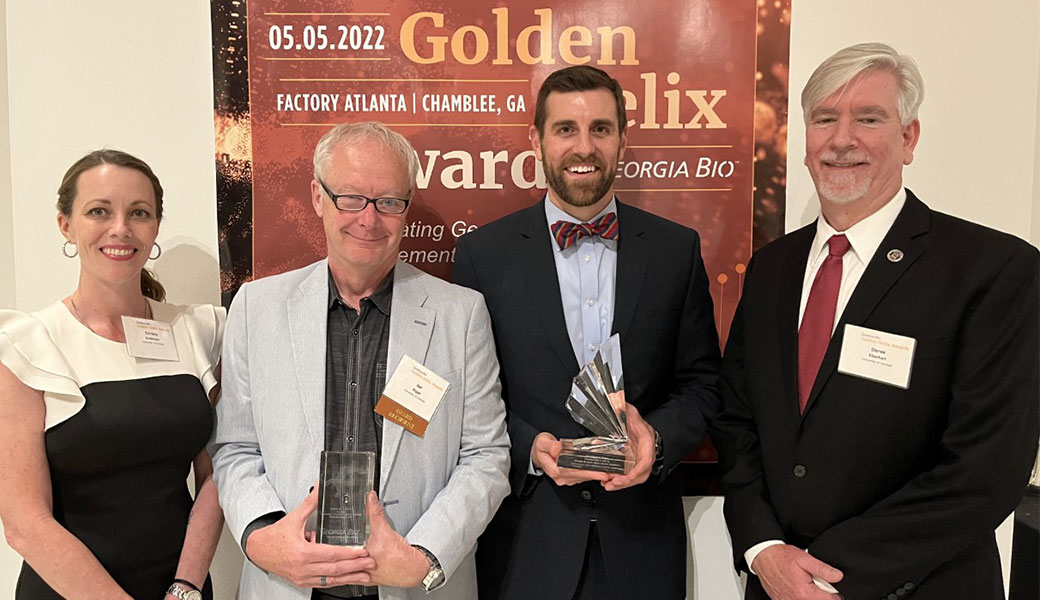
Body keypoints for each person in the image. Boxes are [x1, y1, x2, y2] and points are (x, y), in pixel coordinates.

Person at [712, 42, 1040, 600]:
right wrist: (762, 548)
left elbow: (986, 471)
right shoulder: (771, 268)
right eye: (824, 119)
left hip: (918, 588)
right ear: (805, 141)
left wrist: (826, 570)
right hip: (777, 584)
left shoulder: (993, 270)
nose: (842, 140)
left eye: (868, 118)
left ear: (909, 138)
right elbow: (737, 422)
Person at [452, 65, 722, 600]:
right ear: (537, 139)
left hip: (643, 544)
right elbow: (466, 397)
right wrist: (532, 448)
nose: (585, 146)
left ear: (623, 136)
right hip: (526, 540)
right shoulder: (484, 255)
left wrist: (657, 439)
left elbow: (704, 385)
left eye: (600, 128)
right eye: (565, 129)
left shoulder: (675, 251)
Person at [211, 121, 510, 600]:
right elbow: (235, 448)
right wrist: (263, 538)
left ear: (407, 207)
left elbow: (485, 455)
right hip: (286, 586)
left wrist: (423, 557)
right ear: (317, 196)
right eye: (350, 198)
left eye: (389, 201)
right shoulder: (256, 308)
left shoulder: (461, 314)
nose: (369, 220)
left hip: (412, 588)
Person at [0, 149, 225, 599]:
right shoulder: (27, 344)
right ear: (66, 224)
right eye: (99, 211)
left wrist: (186, 585)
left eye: (138, 213)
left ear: (156, 225)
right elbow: (24, 523)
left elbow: (218, 474)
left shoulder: (200, 329)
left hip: (183, 589)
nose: (120, 228)